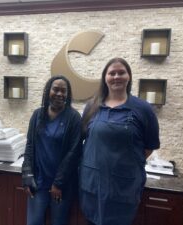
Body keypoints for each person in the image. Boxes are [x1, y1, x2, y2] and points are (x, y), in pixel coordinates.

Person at [79, 58, 160, 225]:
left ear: (129, 76)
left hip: (123, 187)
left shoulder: (143, 109)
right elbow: (84, 139)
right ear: (105, 78)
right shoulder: (92, 106)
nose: (116, 76)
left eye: (121, 72)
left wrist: (123, 165)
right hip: (92, 185)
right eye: (112, 73)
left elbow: (149, 148)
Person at [22, 75, 82, 225]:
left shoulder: (73, 118)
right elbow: (29, 146)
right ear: (48, 90)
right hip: (38, 182)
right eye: (56, 89)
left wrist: (58, 183)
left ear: (68, 95)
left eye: (64, 91)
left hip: (61, 186)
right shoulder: (37, 115)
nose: (60, 94)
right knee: (33, 222)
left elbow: (74, 153)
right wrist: (27, 176)